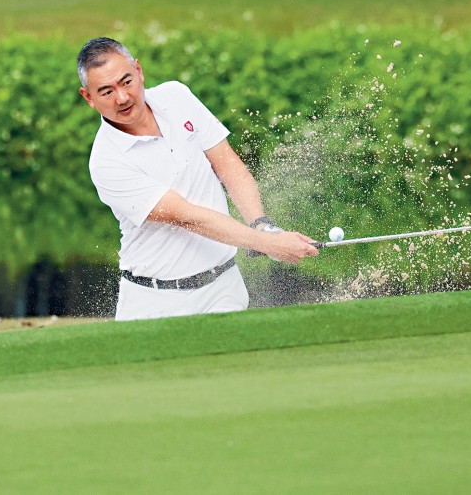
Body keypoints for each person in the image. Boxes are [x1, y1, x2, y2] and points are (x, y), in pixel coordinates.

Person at [77, 37, 319, 321]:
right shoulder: (107, 161)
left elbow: (227, 165)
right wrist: (265, 244)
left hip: (224, 287)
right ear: (89, 98)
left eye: (126, 81)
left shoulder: (176, 97)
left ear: (139, 71)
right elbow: (188, 217)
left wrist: (262, 225)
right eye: (106, 91)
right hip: (155, 301)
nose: (122, 97)